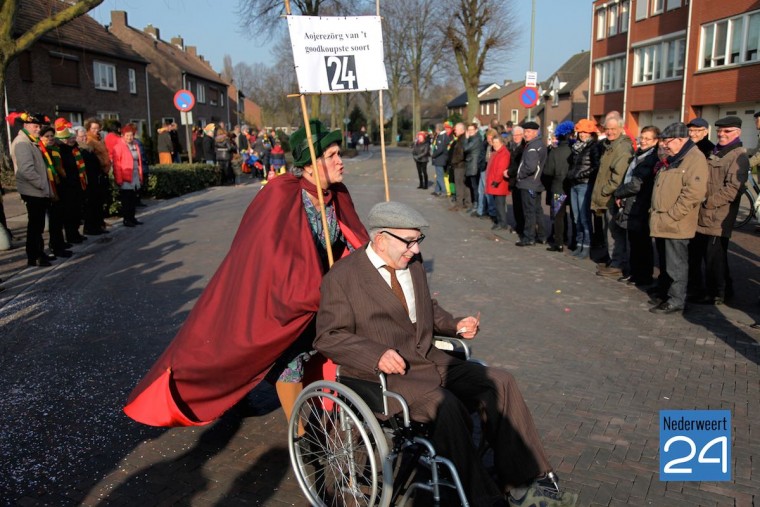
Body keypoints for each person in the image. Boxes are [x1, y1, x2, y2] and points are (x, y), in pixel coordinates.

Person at [314, 201, 576, 507]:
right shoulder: (343, 277)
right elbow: (329, 337)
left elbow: (424, 309)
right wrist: (375, 354)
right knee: (447, 406)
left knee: (500, 381)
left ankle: (527, 478)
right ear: (381, 239)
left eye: (418, 240)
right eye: (408, 241)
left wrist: (455, 325)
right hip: (387, 377)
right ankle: (484, 497)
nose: (415, 249)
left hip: (429, 359)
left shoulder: (411, 263)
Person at [124, 119, 368, 428]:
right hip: (278, 294)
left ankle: (330, 400)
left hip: (319, 292)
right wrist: (308, 288)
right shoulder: (281, 193)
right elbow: (269, 253)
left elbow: (354, 239)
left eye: (338, 154)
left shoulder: (338, 194)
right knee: (286, 357)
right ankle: (299, 431)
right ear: (308, 165)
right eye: (331, 155)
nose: (340, 161)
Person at [688, 116, 749, 305]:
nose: (722, 134)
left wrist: (709, 202)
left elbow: (733, 189)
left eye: (727, 131)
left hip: (718, 215)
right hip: (703, 213)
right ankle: (717, 289)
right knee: (704, 254)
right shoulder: (717, 151)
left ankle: (717, 294)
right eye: (720, 131)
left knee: (715, 257)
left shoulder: (738, 155)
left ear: (737, 133)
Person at [648, 122, 708, 315]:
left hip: (675, 223)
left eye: (668, 141)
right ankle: (666, 293)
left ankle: (676, 300)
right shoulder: (674, 157)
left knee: (676, 264)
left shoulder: (695, 158)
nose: (664, 145)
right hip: (662, 221)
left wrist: (673, 215)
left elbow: (693, 193)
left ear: (681, 140)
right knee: (666, 263)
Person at [613, 126, 660, 286]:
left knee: (642, 243)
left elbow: (636, 184)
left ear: (656, 141)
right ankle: (634, 273)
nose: (644, 141)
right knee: (633, 240)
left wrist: (619, 193)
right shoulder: (638, 155)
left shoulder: (651, 158)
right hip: (631, 203)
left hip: (641, 204)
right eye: (642, 138)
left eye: (648, 139)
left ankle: (643, 276)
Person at [9, 112, 53, 267]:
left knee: (37, 226)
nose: (38, 129)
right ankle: (35, 256)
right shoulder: (22, 142)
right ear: (26, 125)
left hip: (36, 190)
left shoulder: (29, 141)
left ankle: (37, 254)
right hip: (33, 191)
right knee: (35, 226)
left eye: (39, 126)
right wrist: (42, 184)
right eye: (36, 126)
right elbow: (26, 170)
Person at [592, 113, 634, 277]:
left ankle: (617, 263)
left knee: (614, 231)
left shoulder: (622, 147)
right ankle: (613, 260)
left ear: (621, 129)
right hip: (607, 196)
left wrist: (605, 190)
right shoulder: (610, 145)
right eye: (607, 129)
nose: (609, 132)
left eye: (613, 129)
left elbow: (618, 175)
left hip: (612, 196)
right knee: (609, 229)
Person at [566, 120, 600, 259]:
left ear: (591, 133)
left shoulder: (593, 147)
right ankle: (579, 244)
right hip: (574, 184)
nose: (582, 135)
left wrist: (580, 174)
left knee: (584, 217)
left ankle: (586, 246)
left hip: (585, 185)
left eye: (585, 132)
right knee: (576, 217)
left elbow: (596, 167)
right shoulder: (576, 147)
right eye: (580, 132)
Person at [543, 121, 574, 252]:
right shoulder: (575, 150)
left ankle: (559, 243)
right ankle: (574, 242)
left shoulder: (555, 152)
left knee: (558, 216)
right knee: (574, 216)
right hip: (572, 187)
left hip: (558, 187)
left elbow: (548, 171)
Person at [515, 121, 547, 246]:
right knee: (537, 210)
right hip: (535, 184)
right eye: (525, 132)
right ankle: (542, 236)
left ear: (535, 132)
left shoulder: (533, 147)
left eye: (528, 132)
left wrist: (520, 175)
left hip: (529, 183)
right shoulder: (539, 144)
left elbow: (530, 167)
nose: (525, 134)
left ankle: (529, 237)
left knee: (529, 211)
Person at [74, 126, 107, 236]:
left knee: (96, 204)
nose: (84, 138)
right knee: (89, 206)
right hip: (87, 182)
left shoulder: (88, 148)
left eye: (85, 136)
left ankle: (97, 226)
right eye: (81, 136)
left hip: (94, 180)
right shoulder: (78, 150)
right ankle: (90, 228)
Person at [110, 123, 144, 227]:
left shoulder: (135, 145)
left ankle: (132, 218)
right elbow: (116, 165)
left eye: (131, 135)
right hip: (125, 177)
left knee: (133, 198)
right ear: (123, 136)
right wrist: (119, 179)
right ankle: (127, 219)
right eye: (127, 135)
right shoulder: (118, 147)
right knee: (126, 200)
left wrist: (140, 175)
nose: (129, 137)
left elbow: (138, 161)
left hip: (134, 175)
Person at [485, 129, 511, 230]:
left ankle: (502, 223)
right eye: (493, 142)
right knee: (498, 204)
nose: (494, 144)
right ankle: (500, 222)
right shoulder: (496, 152)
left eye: (496, 143)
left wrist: (496, 181)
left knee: (500, 205)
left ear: (501, 143)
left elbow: (501, 169)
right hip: (495, 182)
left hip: (499, 183)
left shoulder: (503, 153)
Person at [506, 126, 526, 237]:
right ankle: (519, 225)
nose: (516, 137)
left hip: (519, 179)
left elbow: (519, 165)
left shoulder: (523, 147)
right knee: (516, 205)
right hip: (514, 180)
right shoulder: (512, 146)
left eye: (518, 135)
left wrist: (509, 172)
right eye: (514, 135)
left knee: (522, 205)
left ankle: (522, 227)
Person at [464, 123, 483, 212]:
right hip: (472, 165)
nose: (470, 132)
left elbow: (466, 148)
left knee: (475, 187)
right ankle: (475, 204)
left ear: (476, 130)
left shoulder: (476, 139)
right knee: (473, 186)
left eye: (472, 130)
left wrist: (466, 138)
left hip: (474, 166)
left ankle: (476, 205)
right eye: (469, 130)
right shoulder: (474, 138)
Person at [449, 123, 467, 210]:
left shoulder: (462, 140)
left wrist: (454, 161)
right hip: (459, 165)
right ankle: (462, 202)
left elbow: (461, 153)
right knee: (460, 184)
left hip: (460, 165)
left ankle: (459, 204)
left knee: (459, 184)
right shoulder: (460, 139)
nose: (454, 131)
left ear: (462, 130)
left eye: (456, 129)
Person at [431, 123, 449, 197]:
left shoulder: (442, 137)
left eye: (436, 129)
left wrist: (433, 155)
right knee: (439, 175)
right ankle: (437, 190)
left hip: (440, 159)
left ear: (438, 129)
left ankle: (444, 191)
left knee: (439, 176)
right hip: (442, 158)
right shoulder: (444, 136)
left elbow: (440, 149)